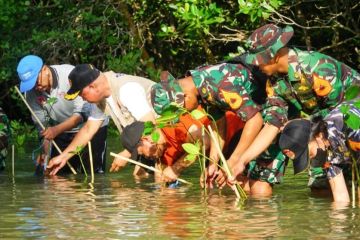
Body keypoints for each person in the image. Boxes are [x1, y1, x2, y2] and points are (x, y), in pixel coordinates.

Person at [228, 24, 360, 191]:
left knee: (350, 184)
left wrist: (303, 122)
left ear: (274, 57)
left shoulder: (316, 67)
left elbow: (338, 112)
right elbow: (273, 124)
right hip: (324, 129)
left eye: (258, 61)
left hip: (350, 123)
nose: (257, 66)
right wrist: (242, 160)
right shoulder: (274, 83)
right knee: (320, 186)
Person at [150, 64, 293, 195]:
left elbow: (254, 120)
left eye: (183, 110)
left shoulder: (219, 86)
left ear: (185, 96)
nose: (185, 114)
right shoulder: (199, 84)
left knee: (259, 189)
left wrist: (234, 160)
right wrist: (213, 163)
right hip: (259, 114)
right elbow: (218, 123)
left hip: (276, 112)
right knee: (243, 184)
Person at [46, 64, 157, 175]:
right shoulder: (103, 97)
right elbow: (88, 129)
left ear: (92, 86)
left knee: (157, 177)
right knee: (139, 176)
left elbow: (152, 125)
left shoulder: (127, 90)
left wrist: (127, 153)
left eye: (81, 94)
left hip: (166, 132)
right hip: (149, 141)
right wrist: (63, 157)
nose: (82, 98)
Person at [17, 55, 108, 174]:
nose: (36, 87)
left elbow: (81, 114)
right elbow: (43, 126)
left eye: (36, 81)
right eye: (31, 84)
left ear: (44, 69)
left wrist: (55, 130)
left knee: (92, 172)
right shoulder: (31, 93)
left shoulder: (69, 75)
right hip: (61, 132)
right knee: (56, 172)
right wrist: (45, 153)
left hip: (92, 125)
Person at [120, 111, 245, 183]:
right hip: (216, 152)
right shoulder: (160, 150)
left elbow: (204, 142)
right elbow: (162, 179)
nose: (147, 157)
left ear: (146, 139)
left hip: (236, 133)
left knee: (241, 183)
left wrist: (176, 169)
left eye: (142, 153)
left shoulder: (173, 127)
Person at [279, 102, 360, 202]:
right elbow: (340, 194)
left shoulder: (346, 127)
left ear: (317, 136)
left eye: (310, 155)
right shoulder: (325, 149)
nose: (313, 161)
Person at [0, 107, 11, 171]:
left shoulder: (4, 118)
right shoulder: (5, 117)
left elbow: (8, 130)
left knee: (3, 156)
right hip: (4, 139)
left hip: (4, 139)